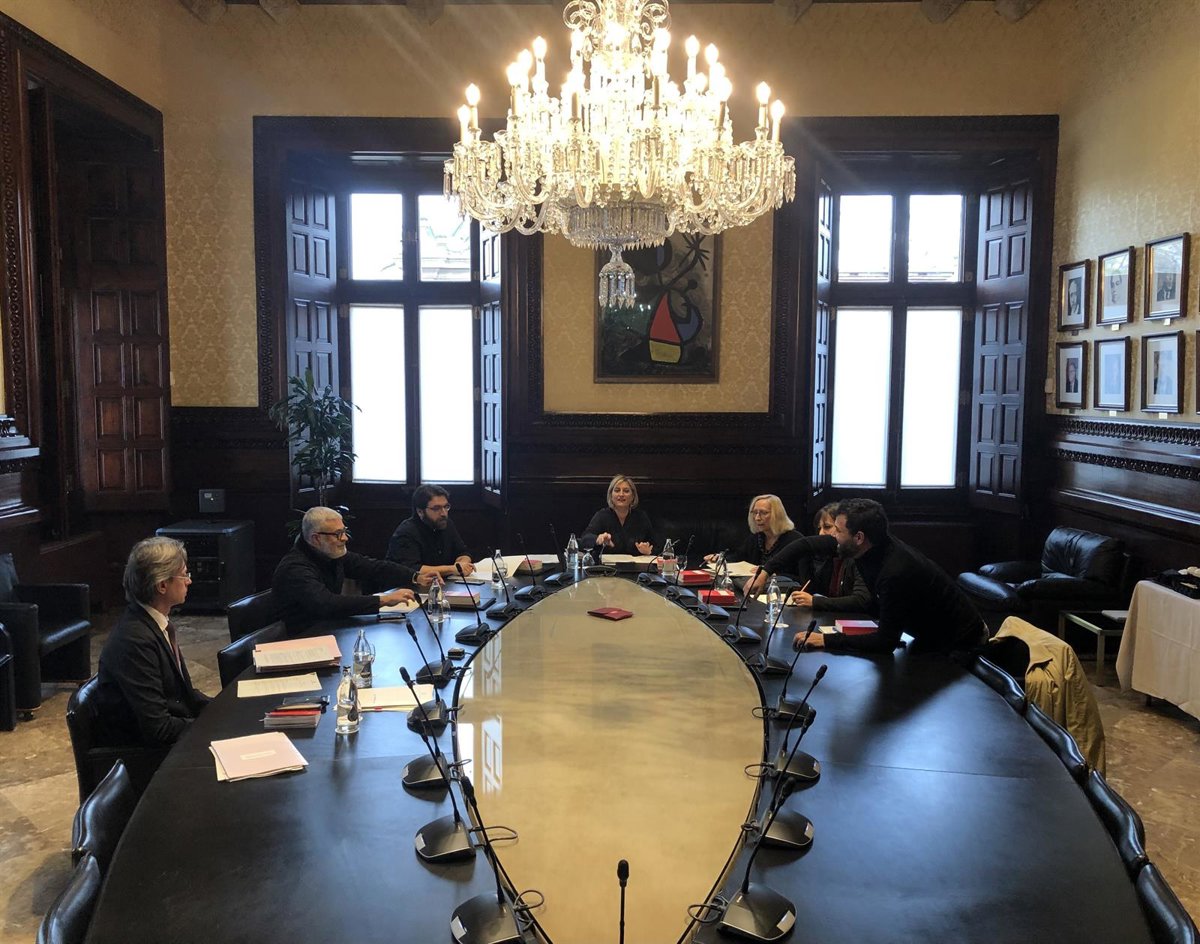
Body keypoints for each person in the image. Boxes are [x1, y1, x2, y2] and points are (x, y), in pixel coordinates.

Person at [784, 498, 987, 655]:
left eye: (837, 530)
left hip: (961, 642)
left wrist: (826, 640)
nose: (833, 536)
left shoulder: (895, 570)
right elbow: (806, 545)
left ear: (859, 537)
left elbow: (885, 642)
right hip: (929, 635)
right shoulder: (868, 548)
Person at [94, 536, 211, 750]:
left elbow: (184, 695)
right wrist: (213, 728)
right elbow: (158, 729)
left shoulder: (153, 623)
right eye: (184, 574)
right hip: (146, 756)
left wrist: (224, 711)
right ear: (162, 585)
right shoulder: (134, 641)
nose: (189, 581)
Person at [273, 507, 429, 632]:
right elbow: (327, 603)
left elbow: (373, 567)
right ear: (316, 538)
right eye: (338, 534)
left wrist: (415, 576)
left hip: (328, 628)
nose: (345, 538)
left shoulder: (330, 554)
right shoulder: (295, 568)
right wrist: (384, 600)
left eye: (344, 531)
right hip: (302, 637)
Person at [786, 503, 872, 612]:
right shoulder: (831, 557)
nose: (821, 533)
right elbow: (814, 590)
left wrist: (815, 601)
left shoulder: (857, 556)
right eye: (819, 528)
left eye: (827, 527)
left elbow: (861, 600)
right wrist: (805, 553)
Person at [386, 484, 475, 579]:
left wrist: (462, 563)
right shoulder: (406, 532)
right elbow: (412, 569)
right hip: (408, 585)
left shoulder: (446, 524)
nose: (444, 513)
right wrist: (452, 569)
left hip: (443, 583)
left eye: (446, 507)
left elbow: (463, 552)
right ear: (420, 511)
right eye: (436, 508)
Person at [709, 494, 801, 568]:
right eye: (755, 512)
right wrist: (719, 559)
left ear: (777, 515)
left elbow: (799, 575)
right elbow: (738, 558)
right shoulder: (757, 538)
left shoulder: (795, 540)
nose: (757, 518)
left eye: (763, 513)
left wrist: (767, 573)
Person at [582, 474, 654, 556]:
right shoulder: (602, 516)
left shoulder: (641, 517)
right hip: (607, 564)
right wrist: (598, 539)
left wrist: (648, 551)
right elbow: (584, 539)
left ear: (633, 496)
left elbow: (656, 545)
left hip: (635, 564)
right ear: (611, 495)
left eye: (626, 491)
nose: (621, 494)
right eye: (617, 490)